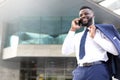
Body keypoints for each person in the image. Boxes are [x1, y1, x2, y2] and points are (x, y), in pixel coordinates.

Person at [62, 6, 120, 80]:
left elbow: (115, 51)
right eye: (81, 15)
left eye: (86, 13)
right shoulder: (77, 36)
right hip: (80, 70)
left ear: (93, 16)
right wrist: (72, 30)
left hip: (97, 69)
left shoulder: (101, 33)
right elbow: (65, 51)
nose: (83, 16)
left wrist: (95, 36)